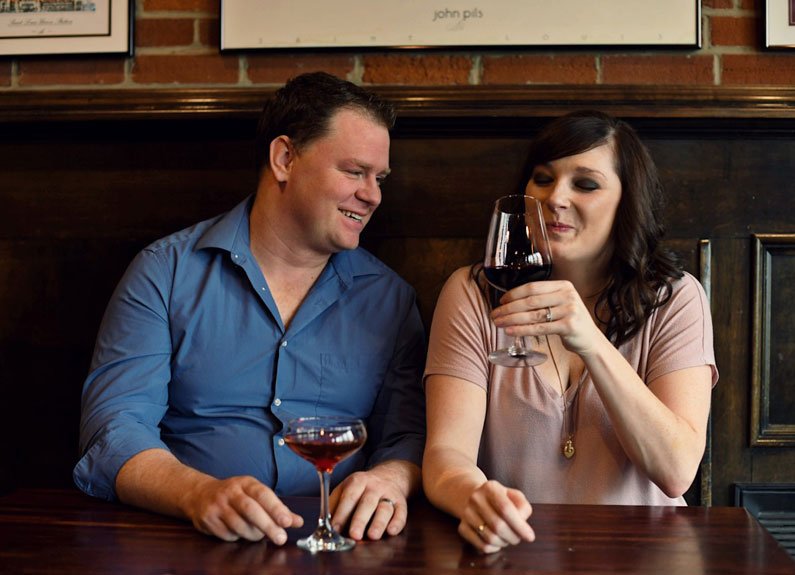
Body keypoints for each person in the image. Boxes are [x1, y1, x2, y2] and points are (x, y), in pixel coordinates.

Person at [74, 72, 426, 545]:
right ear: (284, 159)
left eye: (378, 178)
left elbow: (408, 436)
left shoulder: (391, 299)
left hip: (341, 545)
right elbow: (113, 430)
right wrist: (198, 494)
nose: (373, 194)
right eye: (353, 171)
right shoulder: (165, 272)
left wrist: (391, 479)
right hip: (186, 541)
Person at [422, 110, 718, 554]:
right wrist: (474, 497)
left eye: (585, 184)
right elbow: (446, 455)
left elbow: (676, 469)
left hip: (644, 556)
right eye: (542, 179)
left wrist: (591, 342)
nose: (555, 196)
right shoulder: (473, 293)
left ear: (627, 200)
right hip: (515, 553)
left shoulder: (675, 299)